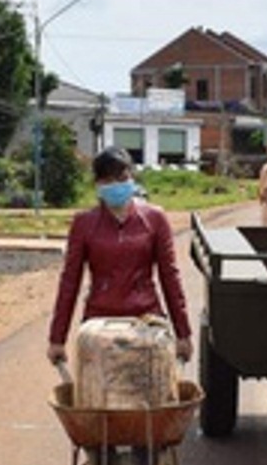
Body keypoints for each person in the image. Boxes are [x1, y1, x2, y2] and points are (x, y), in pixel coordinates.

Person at [46, 146, 193, 367]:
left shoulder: (154, 219)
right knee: (97, 395)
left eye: (121, 177)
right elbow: (70, 281)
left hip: (146, 319)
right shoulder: (84, 224)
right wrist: (57, 339)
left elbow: (169, 276)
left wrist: (184, 333)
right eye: (108, 180)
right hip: (99, 322)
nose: (116, 185)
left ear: (131, 178)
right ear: (98, 184)